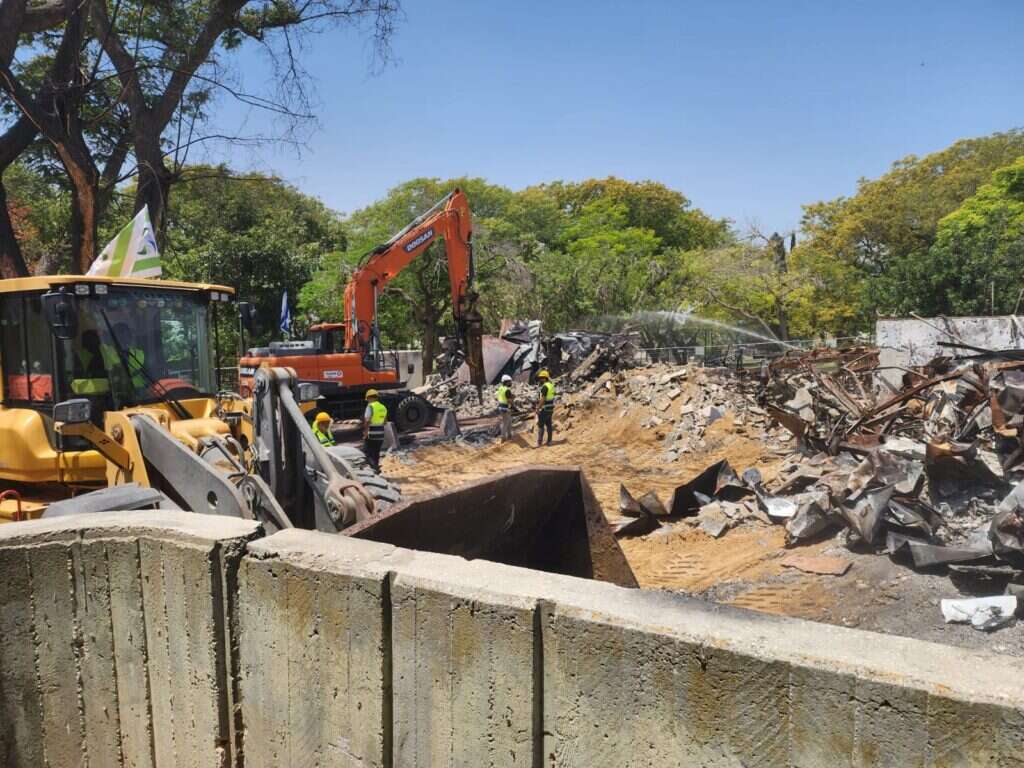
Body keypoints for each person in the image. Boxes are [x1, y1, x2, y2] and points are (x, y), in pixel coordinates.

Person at [71, 329, 111, 395]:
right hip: (90, 394)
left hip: (86, 394)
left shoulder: (79, 356)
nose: (93, 343)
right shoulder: (106, 352)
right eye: (90, 340)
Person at [363, 389, 388, 472]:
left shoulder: (370, 407)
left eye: (368, 399)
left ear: (370, 398)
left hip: (371, 434)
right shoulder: (383, 407)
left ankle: (373, 469)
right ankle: (376, 467)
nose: (368, 401)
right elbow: (385, 422)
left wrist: (365, 433)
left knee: (368, 452)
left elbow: (367, 421)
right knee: (376, 452)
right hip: (380, 434)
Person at [535, 369, 555, 447]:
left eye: (541, 378)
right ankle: (549, 441)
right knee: (549, 425)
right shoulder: (551, 386)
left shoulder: (545, 387)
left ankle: (539, 443)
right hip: (550, 408)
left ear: (545, 378)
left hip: (544, 408)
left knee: (540, 425)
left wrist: (538, 407)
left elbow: (543, 399)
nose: (540, 379)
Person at [496, 374, 514, 441]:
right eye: (510, 381)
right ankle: (503, 438)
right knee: (505, 423)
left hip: (501, 406)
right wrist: (513, 406)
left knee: (509, 421)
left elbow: (502, 396)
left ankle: (509, 435)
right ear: (506, 382)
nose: (511, 383)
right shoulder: (507, 390)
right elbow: (509, 400)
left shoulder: (501, 388)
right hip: (506, 408)